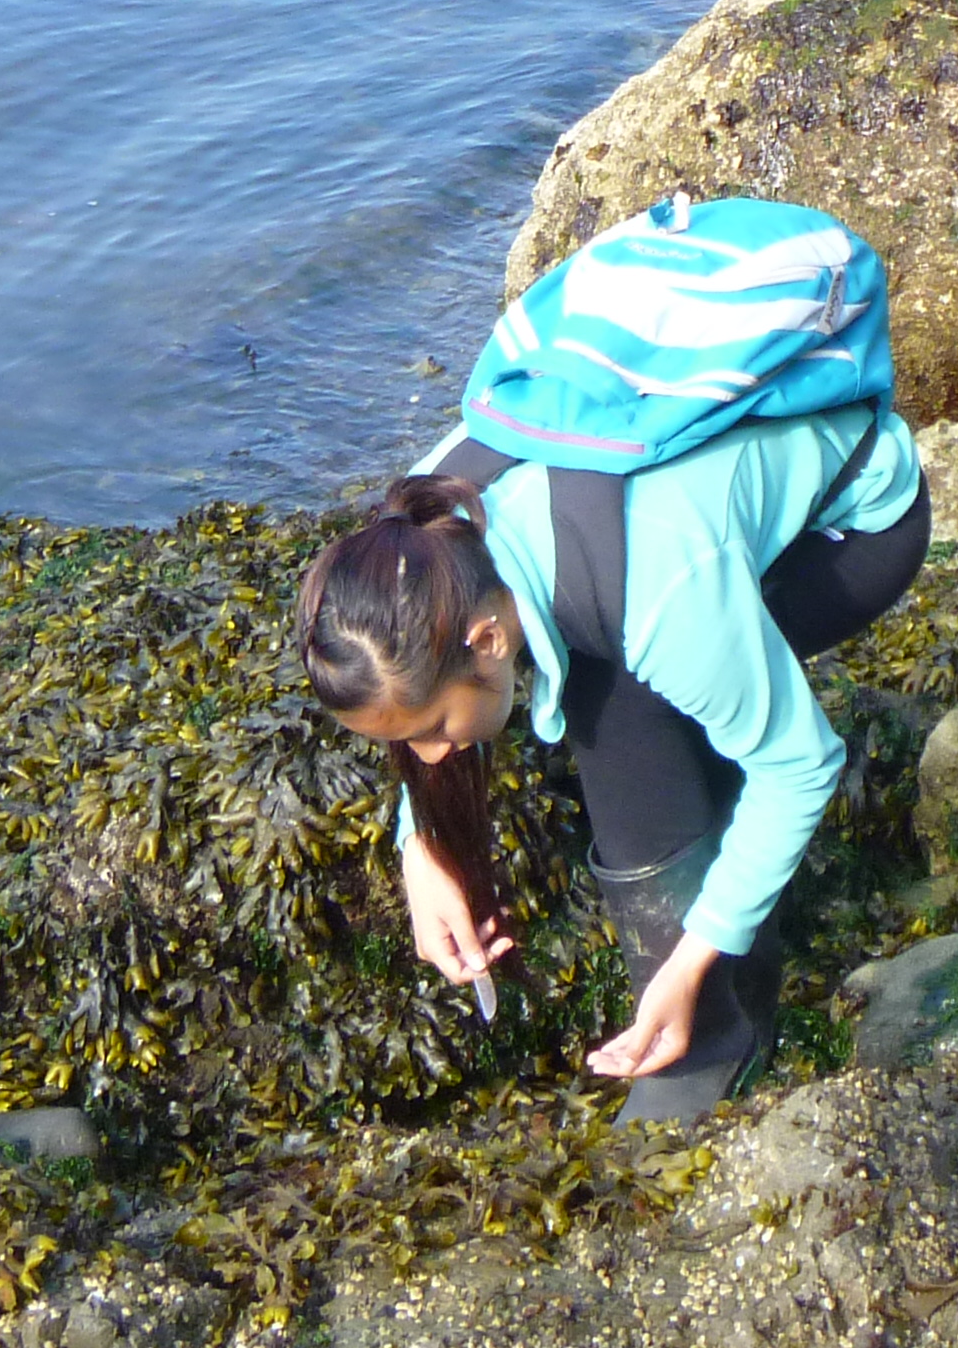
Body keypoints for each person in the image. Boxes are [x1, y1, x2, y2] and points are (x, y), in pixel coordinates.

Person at [293, 399, 926, 1116]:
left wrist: (689, 961)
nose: (431, 755)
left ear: (487, 641)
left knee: (617, 702)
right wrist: (421, 843)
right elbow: (421, 694)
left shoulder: (660, 593)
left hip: (855, 522)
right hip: (680, 527)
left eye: (434, 726)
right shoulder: (419, 529)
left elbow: (803, 765)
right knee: (621, 660)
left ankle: (715, 1039)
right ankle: (722, 890)